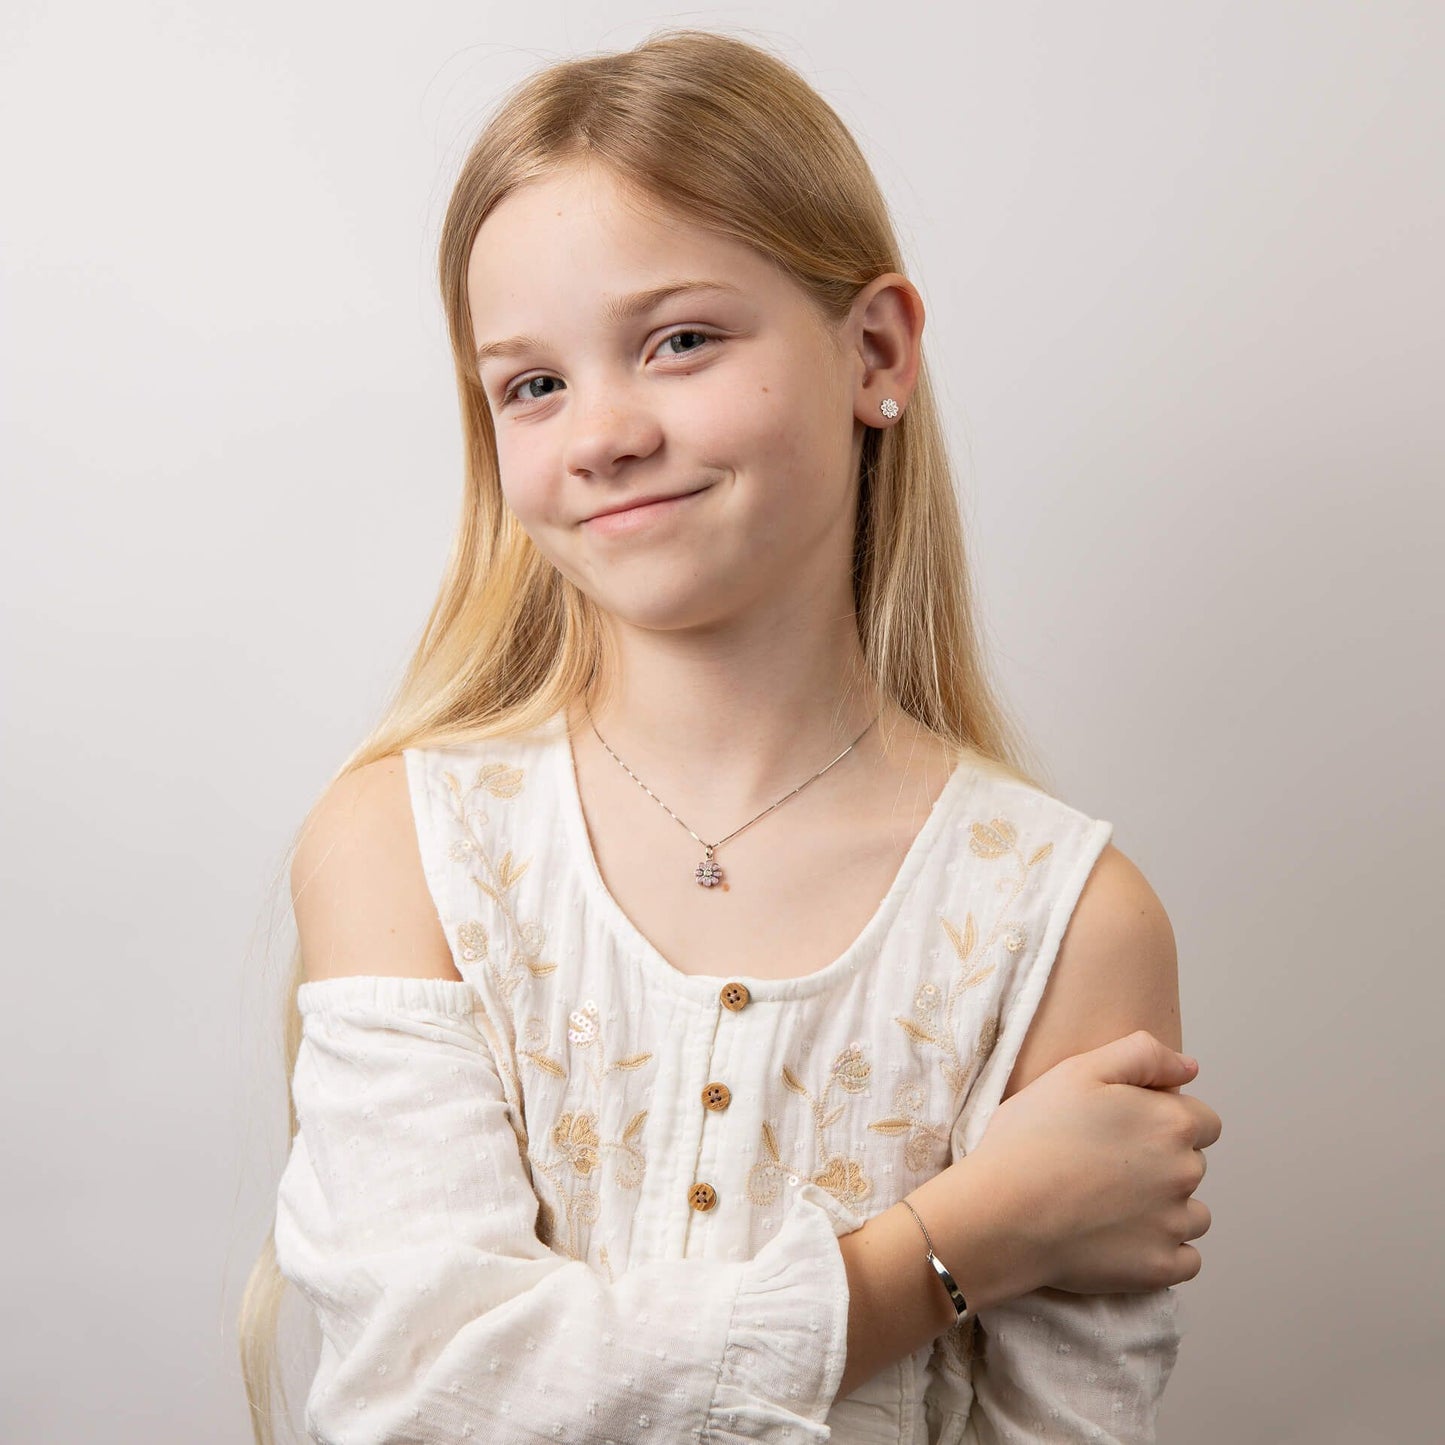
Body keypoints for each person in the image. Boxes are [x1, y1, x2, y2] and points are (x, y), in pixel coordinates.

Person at [239, 27, 1220, 1445]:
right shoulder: (402, 840)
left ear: (873, 349)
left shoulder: (1061, 918)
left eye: (679, 339)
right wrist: (954, 1242)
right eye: (531, 383)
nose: (602, 432)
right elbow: (423, 1394)